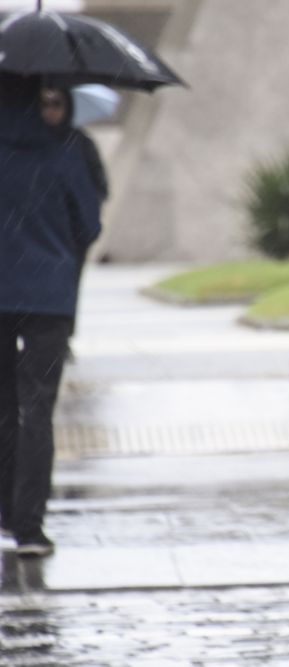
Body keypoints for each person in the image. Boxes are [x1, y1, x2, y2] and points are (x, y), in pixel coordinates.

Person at [0, 75, 101, 557]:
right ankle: (29, 526)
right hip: (48, 300)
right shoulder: (65, 151)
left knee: (2, 408)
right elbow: (90, 223)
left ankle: (3, 511)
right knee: (37, 409)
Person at [40, 86, 109, 361]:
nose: (50, 111)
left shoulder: (80, 144)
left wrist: (83, 225)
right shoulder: (26, 142)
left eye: (56, 103)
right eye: (44, 104)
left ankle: (63, 337)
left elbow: (99, 186)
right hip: (35, 231)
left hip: (69, 236)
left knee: (66, 288)